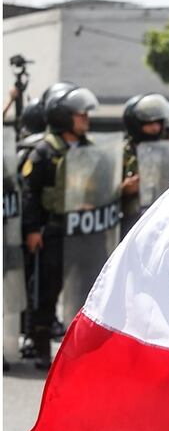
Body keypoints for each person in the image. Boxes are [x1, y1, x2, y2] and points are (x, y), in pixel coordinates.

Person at [20, 82, 99, 368]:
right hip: (53, 232)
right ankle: (41, 348)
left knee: (84, 292)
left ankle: (81, 352)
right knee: (46, 290)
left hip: (85, 232)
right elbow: (30, 193)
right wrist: (31, 230)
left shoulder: (92, 149)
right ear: (64, 117)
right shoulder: (43, 151)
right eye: (80, 114)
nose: (86, 119)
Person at [119, 93, 169, 236]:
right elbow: (102, 193)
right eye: (149, 123)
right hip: (132, 220)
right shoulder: (122, 153)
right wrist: (124, 189)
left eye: (158, 122)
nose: (155, 128)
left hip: (166, 216)